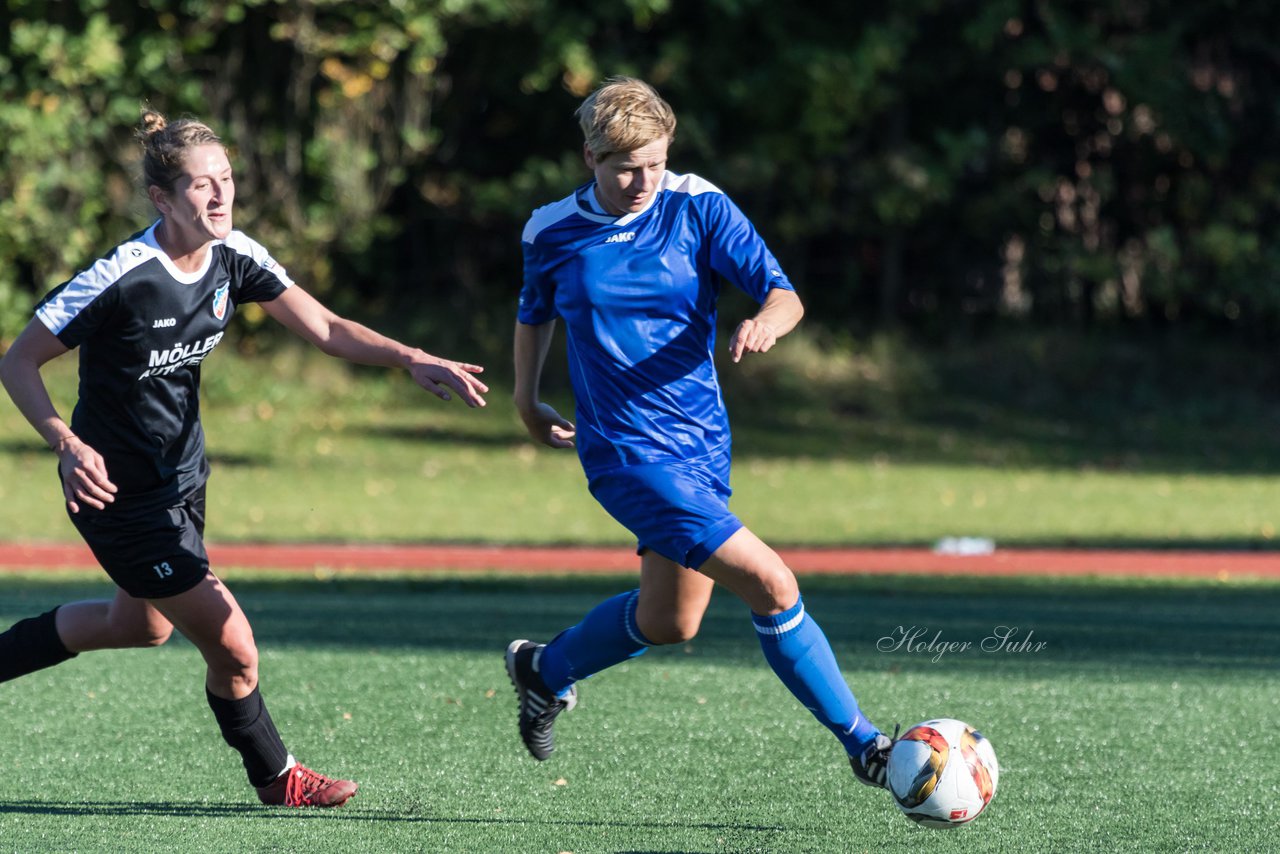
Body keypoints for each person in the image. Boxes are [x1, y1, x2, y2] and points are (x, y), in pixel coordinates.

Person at [0, 110, 488, 808]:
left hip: (183, 481)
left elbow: (324, 327)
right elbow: (18, 362)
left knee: (135, 626)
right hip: (117, 495)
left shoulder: (237, 257)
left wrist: (410, 356)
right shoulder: (122, 277)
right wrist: (67, 444)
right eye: (201, 186)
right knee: (233, 644)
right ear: (163, 200)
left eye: (227, 180)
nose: (221, 197)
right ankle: (277, 775)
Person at [505, 77, 894, 788]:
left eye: (655, 163)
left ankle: (543, 667)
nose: (642, 181)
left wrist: (764, 322)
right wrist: (527, 403)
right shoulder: (550, 230)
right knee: (773, 585)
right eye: (626, 167)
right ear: (589, 155)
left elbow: (784, 294)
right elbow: (535, 315)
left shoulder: (699, 206)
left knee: (670, 621)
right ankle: (867, 746)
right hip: (623, 452)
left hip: (701, 444)